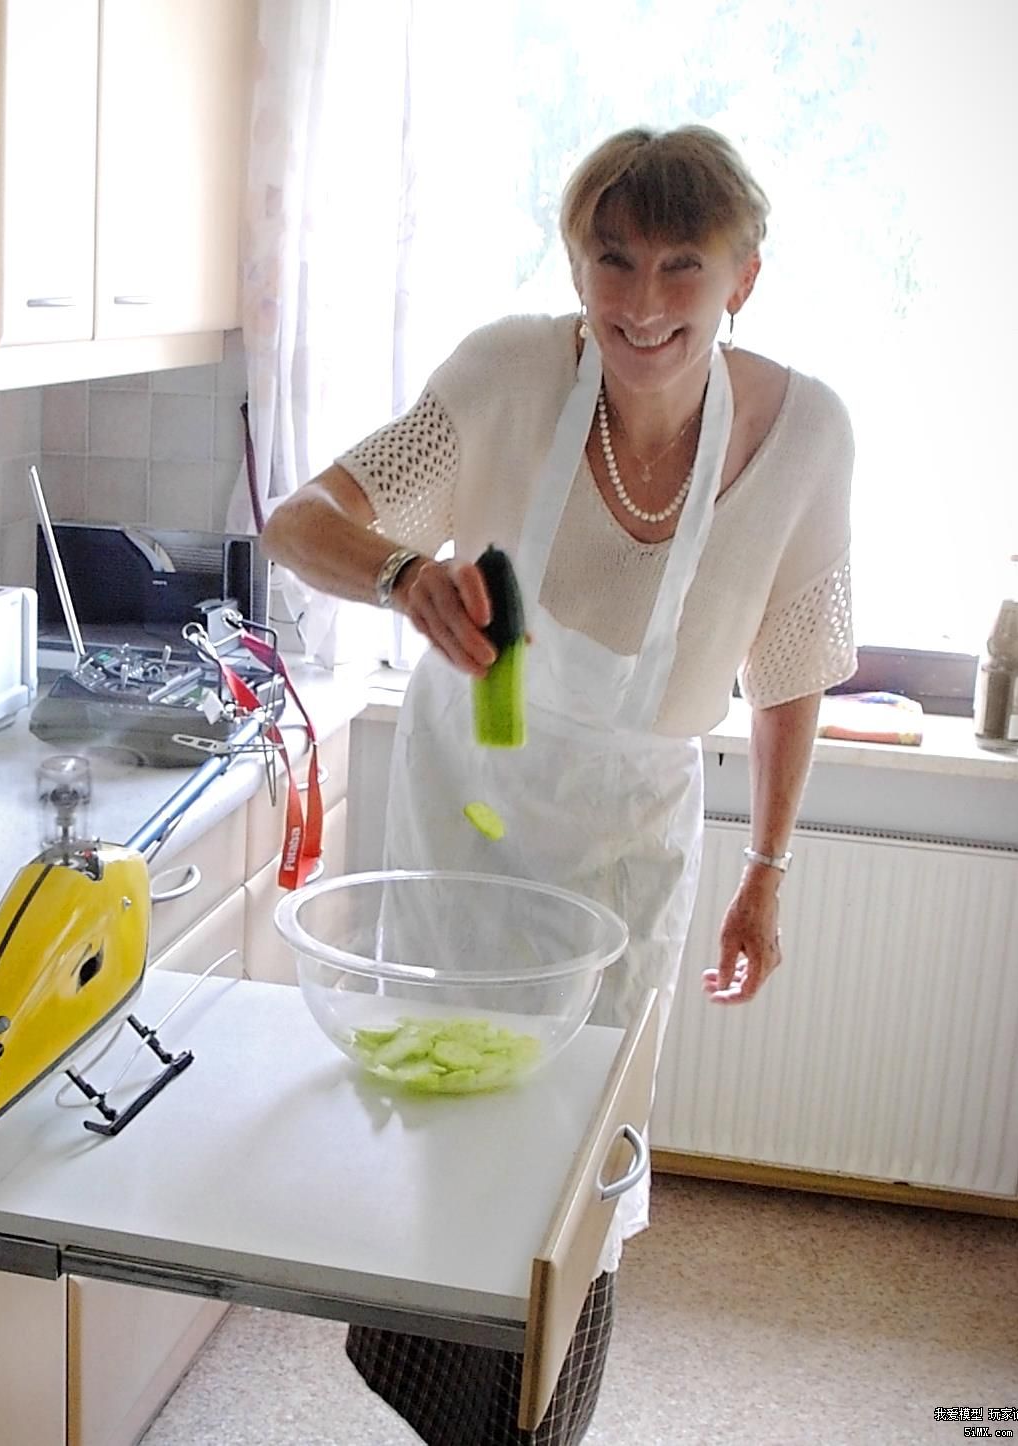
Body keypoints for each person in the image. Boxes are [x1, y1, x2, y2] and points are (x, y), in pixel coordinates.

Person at [260, 124, 856, 1445]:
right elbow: (298, 519)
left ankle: (535, 1426)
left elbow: (792, 667)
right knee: (448, 1110)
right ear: (578, 264)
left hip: (626, 846)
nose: (643, 304)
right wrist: (404, 576)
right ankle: (439, 1406)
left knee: (582, 1160)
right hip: (465, 815)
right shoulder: (511, 373)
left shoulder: (806, 432)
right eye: (613, 261)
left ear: (742, 278)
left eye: (681, 268)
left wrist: (767, 873)